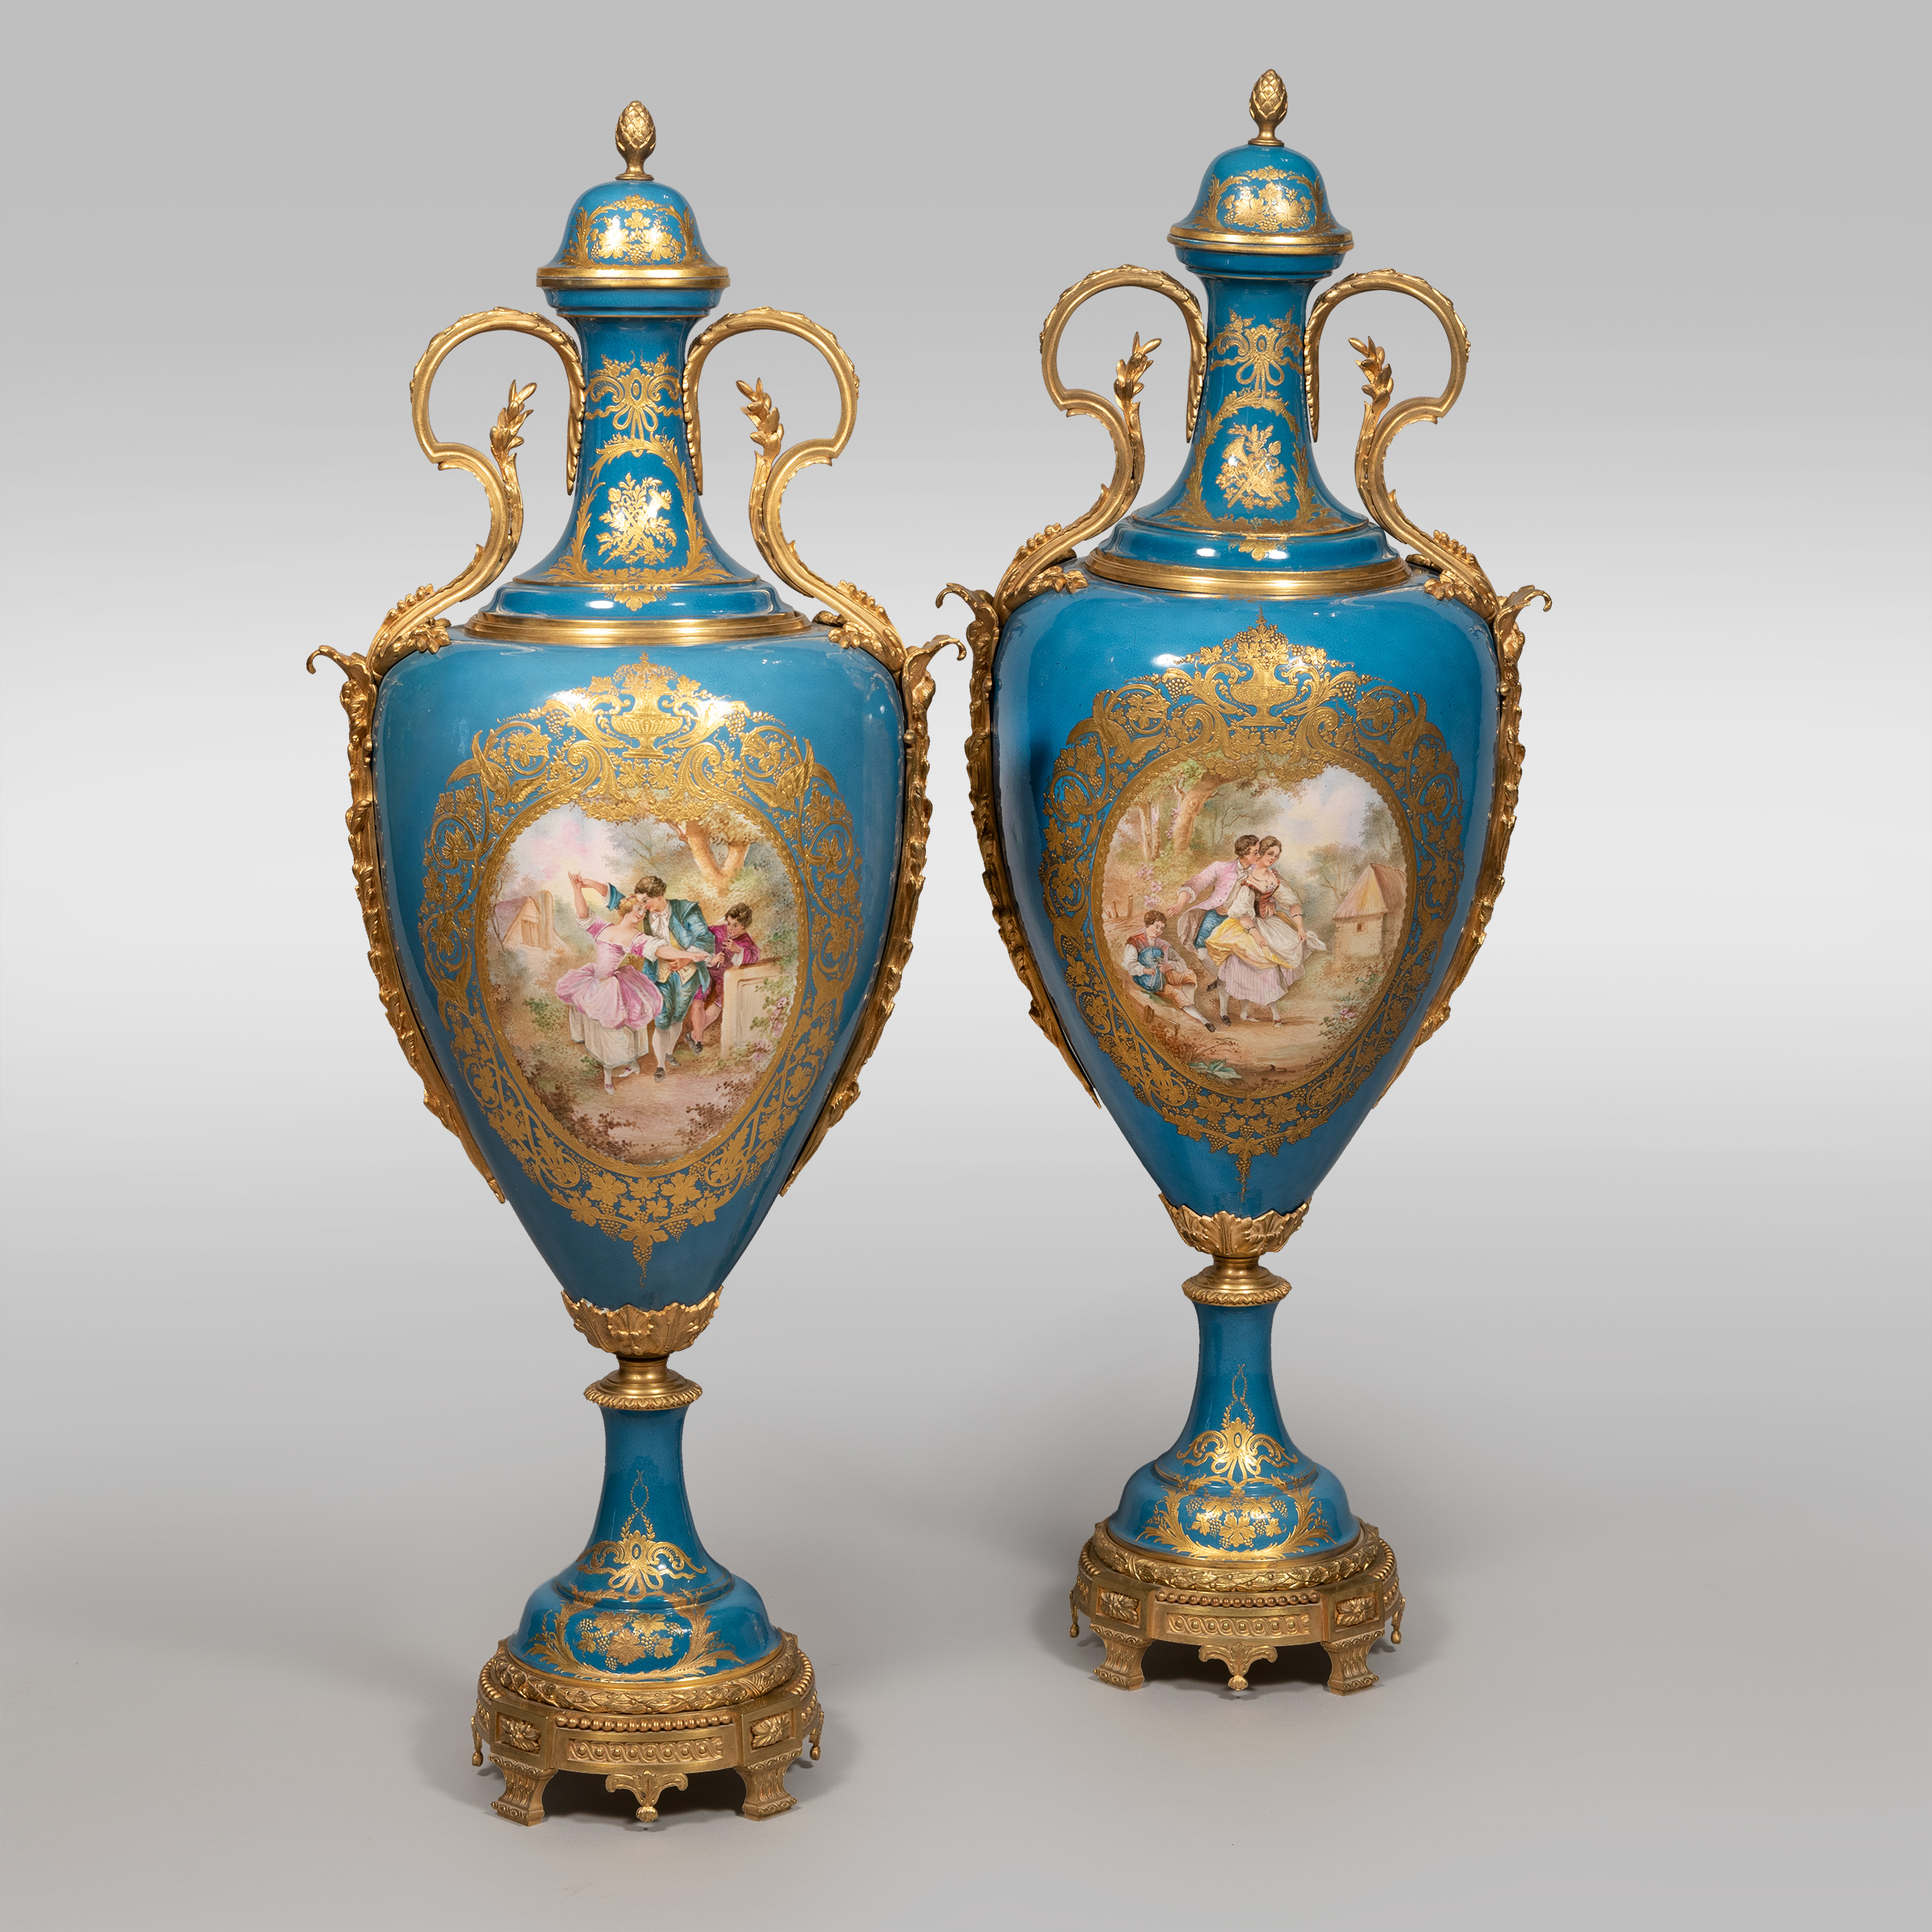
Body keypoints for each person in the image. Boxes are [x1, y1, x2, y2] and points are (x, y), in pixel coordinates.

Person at [577, 873, 717, 1079]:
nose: (642, 907)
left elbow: (706, 938)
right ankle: (660, 1066)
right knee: (662, 1019)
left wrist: (686, 960)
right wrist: (590, 884)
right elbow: (618, 899)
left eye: (645, 901)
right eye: (640, 903)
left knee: (677, 1017)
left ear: (659, 896)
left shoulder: (686, 909)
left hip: (687, 974)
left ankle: (669, 1053)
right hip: (658, 973)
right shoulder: (641, 912)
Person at [554, 873, 664, 1092]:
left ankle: (629, 1065)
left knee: (619, 1030)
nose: (641, 914)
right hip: (594, 985)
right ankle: (610, 1076)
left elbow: (659, 949)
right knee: (603, 1033)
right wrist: (577, 890)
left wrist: (688, 956)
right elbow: (584, 915)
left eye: (644, 911)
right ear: (627, 910)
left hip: (611, 988)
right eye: (638, 910)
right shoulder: (603, 928)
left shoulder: (635, 937)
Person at [1169, 835, 1261, 965]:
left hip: (1242, 919)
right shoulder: (1221, 867)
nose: (1259, 856)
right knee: (1202, 945)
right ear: (1245, 854)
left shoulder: (1259, 872)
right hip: (1217, 914)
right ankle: (1214, 972)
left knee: (1242, 951)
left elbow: (1269, 892)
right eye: (1255, 852)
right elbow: (1197, 883)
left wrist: (1270, 903)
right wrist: (1180, 903)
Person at [1117, 910, 1214, 1028]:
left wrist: (1170, 965)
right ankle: (1204, 1020)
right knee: (1176, 993)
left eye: (1162, 929)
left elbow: (1181, 963)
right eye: (1156, 926)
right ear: (1148, 924)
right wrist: (1145, 970)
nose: (1158, 931)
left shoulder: (1164, 944)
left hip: (1166, 973)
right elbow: (1129, 964)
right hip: (1150, 980)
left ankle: (1190, 1006)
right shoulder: (1135, 941)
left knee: (1189, 974)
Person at [687, 903, 760, 1052]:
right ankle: (699, 1040)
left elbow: (755, 955)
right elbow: (698, 940)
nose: (730, 928)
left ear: (744, 926)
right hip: (707, 971)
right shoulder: (717, 931)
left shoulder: (746, 941)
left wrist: (738, 950)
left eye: (735, 925)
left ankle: (694, 1035)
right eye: (729, 923)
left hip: (723, 978)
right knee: (698, 998)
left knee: (719, 1002)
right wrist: (711, 959)